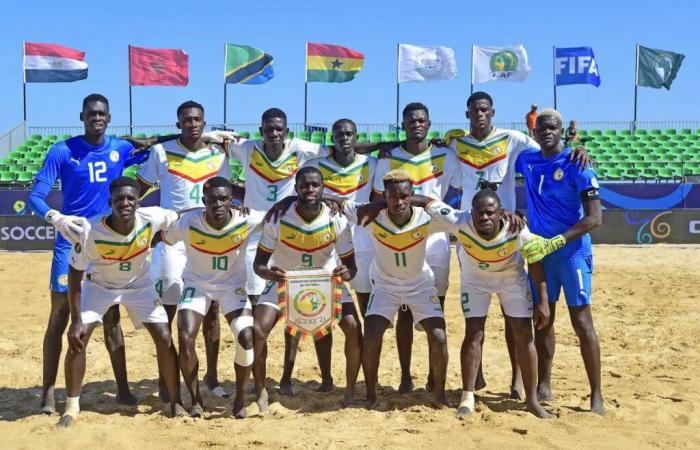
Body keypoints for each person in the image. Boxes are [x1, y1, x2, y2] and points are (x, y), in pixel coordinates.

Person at [443, 91, 589, 398]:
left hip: (509, 233)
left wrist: (578, 147)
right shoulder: (456, 145)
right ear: (467, 113)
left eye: (484, 110)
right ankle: (476, 375)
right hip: (471, 233)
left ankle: (516, 380)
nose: (479, 114)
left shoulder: (513, 139)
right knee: (475, 314)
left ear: (492, 112)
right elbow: (449, 181)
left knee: (514, 313)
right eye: (474, 110)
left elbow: (550, 152)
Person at [28, 93, 147, 414]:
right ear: (82, 116)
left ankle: (122, 389)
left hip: (107, 244)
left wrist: (206, 137)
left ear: (109, 118)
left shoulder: (120, 148)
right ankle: (48, 393)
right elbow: (35, 197)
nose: (97, 117)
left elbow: (157, 149)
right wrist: (57, 218)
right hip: (71, 244)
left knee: (112, 317)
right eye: (91, 113)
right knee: (60, 316)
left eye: (102, 114)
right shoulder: (62, 151)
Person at [222, 109, 395, 304]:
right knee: (259, 291)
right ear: (261, 130)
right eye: (269, 129)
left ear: (286, 131)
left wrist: (388, 144)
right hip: (266, 226)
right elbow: (207, 144)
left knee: (339, 294)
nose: (274, 133)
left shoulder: (302, 149)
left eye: (279, 129)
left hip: (318, 230)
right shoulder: (247, 147)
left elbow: (343, 147)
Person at [411, 186, 552, 419]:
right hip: (475, 280)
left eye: (490, 212)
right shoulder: (458, 219)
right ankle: (467, 397)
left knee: (523, 335)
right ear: (471, 212)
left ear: (501, 213)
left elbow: (535, 261)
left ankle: (532, 401)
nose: (484, 217)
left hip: (511, 279)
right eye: (479, 212)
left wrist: (542, 300)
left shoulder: (517, 229)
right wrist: (388, 201)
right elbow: (426, 201)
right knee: (474, 333)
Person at [57, 177, 183, 427]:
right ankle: (71, 408)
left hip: (141, 286)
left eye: (130, 198)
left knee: (165, 337)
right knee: (78, 339)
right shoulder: (91, 231)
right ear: (110, 202)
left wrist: (156, 240)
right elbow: (74, 275)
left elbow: (180, 215)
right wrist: (75, 320)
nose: (125, 203)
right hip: (100, 287)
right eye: (119, 199)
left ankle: (174, 400)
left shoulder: (153, 217)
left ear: (138, 201)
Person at [137, 100, 231, 399]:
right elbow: (138, 191)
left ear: (205, 123)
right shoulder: (161, 153)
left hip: (208, 238)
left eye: (197, 119)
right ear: (178, 124)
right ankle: (168, 378)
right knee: (168, 309)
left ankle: (212, 378)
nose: (192, 124)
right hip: (173, 239)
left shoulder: (218, 154)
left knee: (212, 308)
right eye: (187, 120)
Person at [516, 108, 605, 415]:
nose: (547, 132)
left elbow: (595, 218)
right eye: (542, 128)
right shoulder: (527, 160)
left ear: (561, 129)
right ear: (535, 131)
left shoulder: (578, 164)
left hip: (572, 253)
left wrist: (560, 240)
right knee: (543, 319)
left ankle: (596, 395)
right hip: (540, 254)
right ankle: (544, 384)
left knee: (582, 321)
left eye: (552, 127)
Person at [252, 166, 362, 409]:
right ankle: (260, 389)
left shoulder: (336, 219)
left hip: (325, 281)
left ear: (323, 189)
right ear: (296, 188)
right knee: (258, 329)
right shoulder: (279, 217)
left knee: (353, 327)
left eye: (315, 185)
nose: (310, 189)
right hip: (284, 280)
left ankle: (349, 389)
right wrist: (268, 272)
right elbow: (258, 264)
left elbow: (352, 267)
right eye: (304, 185)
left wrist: (347, 272)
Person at [343, 169, 448, 409]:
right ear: (384, 197)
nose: (398, 202)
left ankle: (440, 396)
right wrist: (289, 199)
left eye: (404, 196)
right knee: (370, 336)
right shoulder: (370, 217)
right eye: (392, 197)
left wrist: (427, 201)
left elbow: (464, 218)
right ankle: (370, 394)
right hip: (385, 286)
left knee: (439, 337)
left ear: (412, 195)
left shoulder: (427, 218)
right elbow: (335, 202)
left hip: (420, 285)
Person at [372, 102, 459, 394]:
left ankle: (435, 377)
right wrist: (384, 144)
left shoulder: (446, 155)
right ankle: (406, 376)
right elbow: (376, 196)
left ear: (429, 123)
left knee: (436, 309)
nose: (416, 124)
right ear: (403, 124)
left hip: (435, 238)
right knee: (405, 310)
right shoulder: (388, 157)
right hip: (402, 233)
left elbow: (463, 184)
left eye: (421, 120)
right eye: (411, 121)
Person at [159, 177, 262, 419]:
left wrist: (330, 201)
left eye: (224, 198)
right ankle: (196, 399)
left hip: (232, 287)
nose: (218, 203)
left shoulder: (247, 219)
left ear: (232, 201)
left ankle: (239, 398)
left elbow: (281, 212)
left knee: (247, 337)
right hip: (198, 285)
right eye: (212, 199)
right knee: (185, 337)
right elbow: (162, 237)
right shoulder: (187, 222)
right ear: (203, 201)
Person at [305, 119, 377, 317]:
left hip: (361, 235)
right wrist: (328, 199)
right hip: (328, 234)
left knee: (365, 295)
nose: (344, 138)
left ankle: (367, 341)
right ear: (332, 139)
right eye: (339, 135)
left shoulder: (371, 164)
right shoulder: (316, 165)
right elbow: (307, 192)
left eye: (348, 134)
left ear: (357, 137)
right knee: (322, 295)